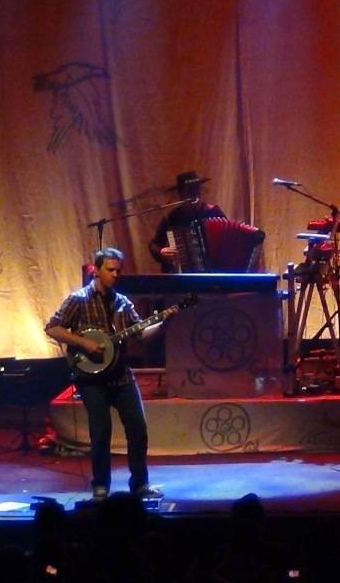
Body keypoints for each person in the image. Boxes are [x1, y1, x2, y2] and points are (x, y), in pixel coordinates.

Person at [45, 247, 167, 500]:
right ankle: (100, 486)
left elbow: (140, 334)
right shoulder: (78, 299)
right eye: (110, 270)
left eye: (118, 271)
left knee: (138, 429)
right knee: (100, 432)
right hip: (91, 379)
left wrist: (162, 322)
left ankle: (140, 485)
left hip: (121, 375)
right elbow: (53, 328)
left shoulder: (122, 303)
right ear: (96, 270)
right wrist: (84, 343)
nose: (115, 275)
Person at [148, 170, 225, 272]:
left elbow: (228, 241)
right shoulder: (173, 218)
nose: (194, 194)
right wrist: (161, 252)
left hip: (214, 273)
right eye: (189, 191)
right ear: (181, 195)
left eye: (196, 190)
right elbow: (153, 245)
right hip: (185, 276)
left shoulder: (213, 212)